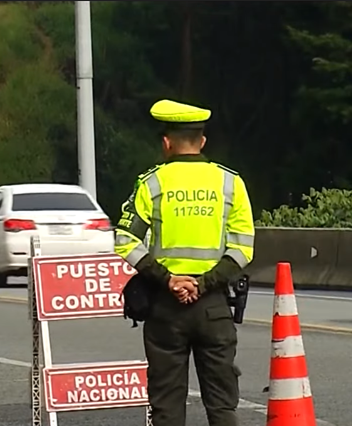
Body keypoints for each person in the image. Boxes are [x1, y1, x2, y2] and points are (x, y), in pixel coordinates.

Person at [114, 99, 255, 426]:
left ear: (166, 143)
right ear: (202, 141)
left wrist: (169, 280)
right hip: (214, 307)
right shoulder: (230, 183)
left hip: (166, 309)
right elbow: (243, 248)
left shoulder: (152, 183)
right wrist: (204, 284)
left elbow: (124, 239)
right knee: (222, 406)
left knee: (167, 407)